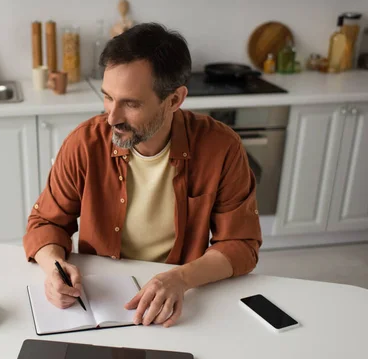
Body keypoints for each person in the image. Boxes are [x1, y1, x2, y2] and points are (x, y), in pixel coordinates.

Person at [23, 23, 262, 328]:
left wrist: (180, 278)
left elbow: (241, 243)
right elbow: (46, 223)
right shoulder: (84, 143)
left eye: (131, 104)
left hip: (179, 299)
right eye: (108, 97)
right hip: (101, 298)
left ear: (174, 100)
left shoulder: (221, 147)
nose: (112, 118)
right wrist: (53, 267)